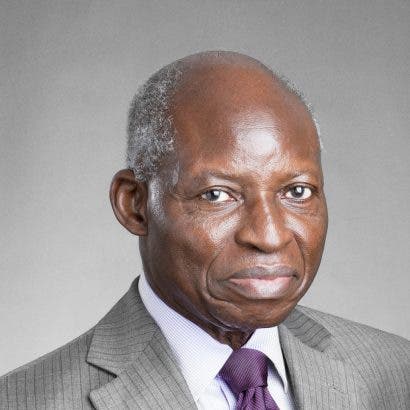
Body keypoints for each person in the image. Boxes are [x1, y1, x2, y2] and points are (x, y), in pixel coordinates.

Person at [0, 51, 409, 410]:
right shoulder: (25, 401)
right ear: (134, 204)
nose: (269, 236)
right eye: (217, 195)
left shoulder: (396, 374)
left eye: (296, 191)